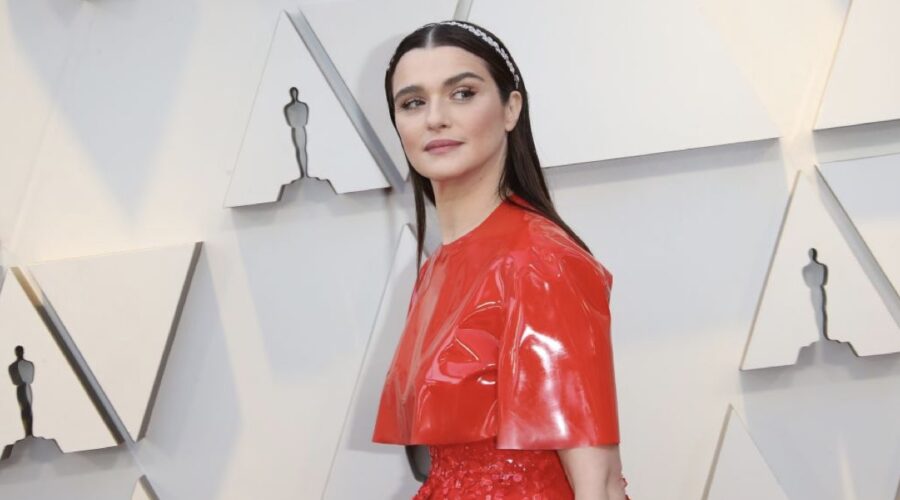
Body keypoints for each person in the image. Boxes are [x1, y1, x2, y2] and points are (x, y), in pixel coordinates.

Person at [372, 20, 630, 500]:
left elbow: (600, 483)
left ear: (511, 108)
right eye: (413, 103)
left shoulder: (539, 260)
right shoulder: (438, 268)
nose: (435, 118)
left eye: (463, 93)